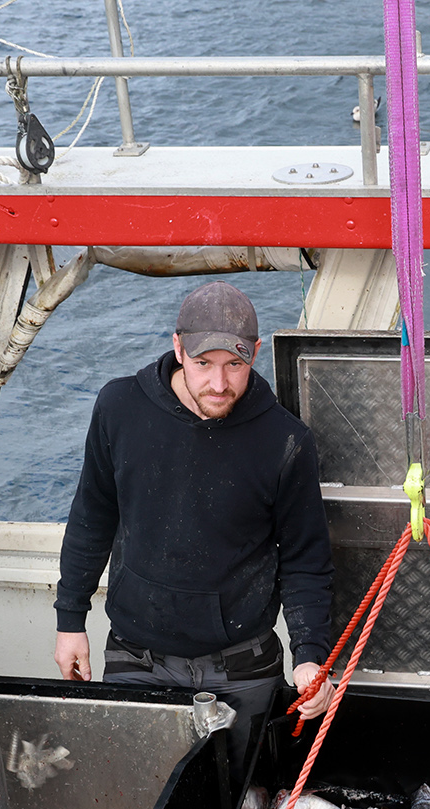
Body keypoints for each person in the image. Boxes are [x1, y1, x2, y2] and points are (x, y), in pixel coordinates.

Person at [53, 281, 335, 776]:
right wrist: (70, 620)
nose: (220, 384)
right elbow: (91, 518)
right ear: (178, 347)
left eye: (235, 364)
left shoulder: (287, 442)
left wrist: (311, 656)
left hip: (243, 667)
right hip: (134, 658)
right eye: (204, 363)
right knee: (138, 800)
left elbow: (305, 562)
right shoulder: (119, 408)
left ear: (257, 354)